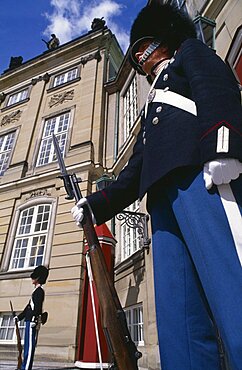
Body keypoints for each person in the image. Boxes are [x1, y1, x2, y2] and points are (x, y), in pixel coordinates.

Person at [71, 3, 242, 369]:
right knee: (178, 315)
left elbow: (216, 89)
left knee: (232, 288)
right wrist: (96, 204)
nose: (140, 58)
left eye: (144, 47)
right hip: (161, 204)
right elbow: (135, 168)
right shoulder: (150, 108)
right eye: (137, 54)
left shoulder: (191, 55)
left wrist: (222, 147)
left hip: (201, 178)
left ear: (164, 38)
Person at [14, 265, 49, 370]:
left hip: (32, 322)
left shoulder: (39, 291)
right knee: (27, 347)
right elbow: (29, 307)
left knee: (29, 348)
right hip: (29, 321)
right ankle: (24, 366)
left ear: (38, 278)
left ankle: (26, 368)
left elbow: (37, 308)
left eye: (34, 277)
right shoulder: (36, 291)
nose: (32, 279)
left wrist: (34, 319)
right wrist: (19, 318)